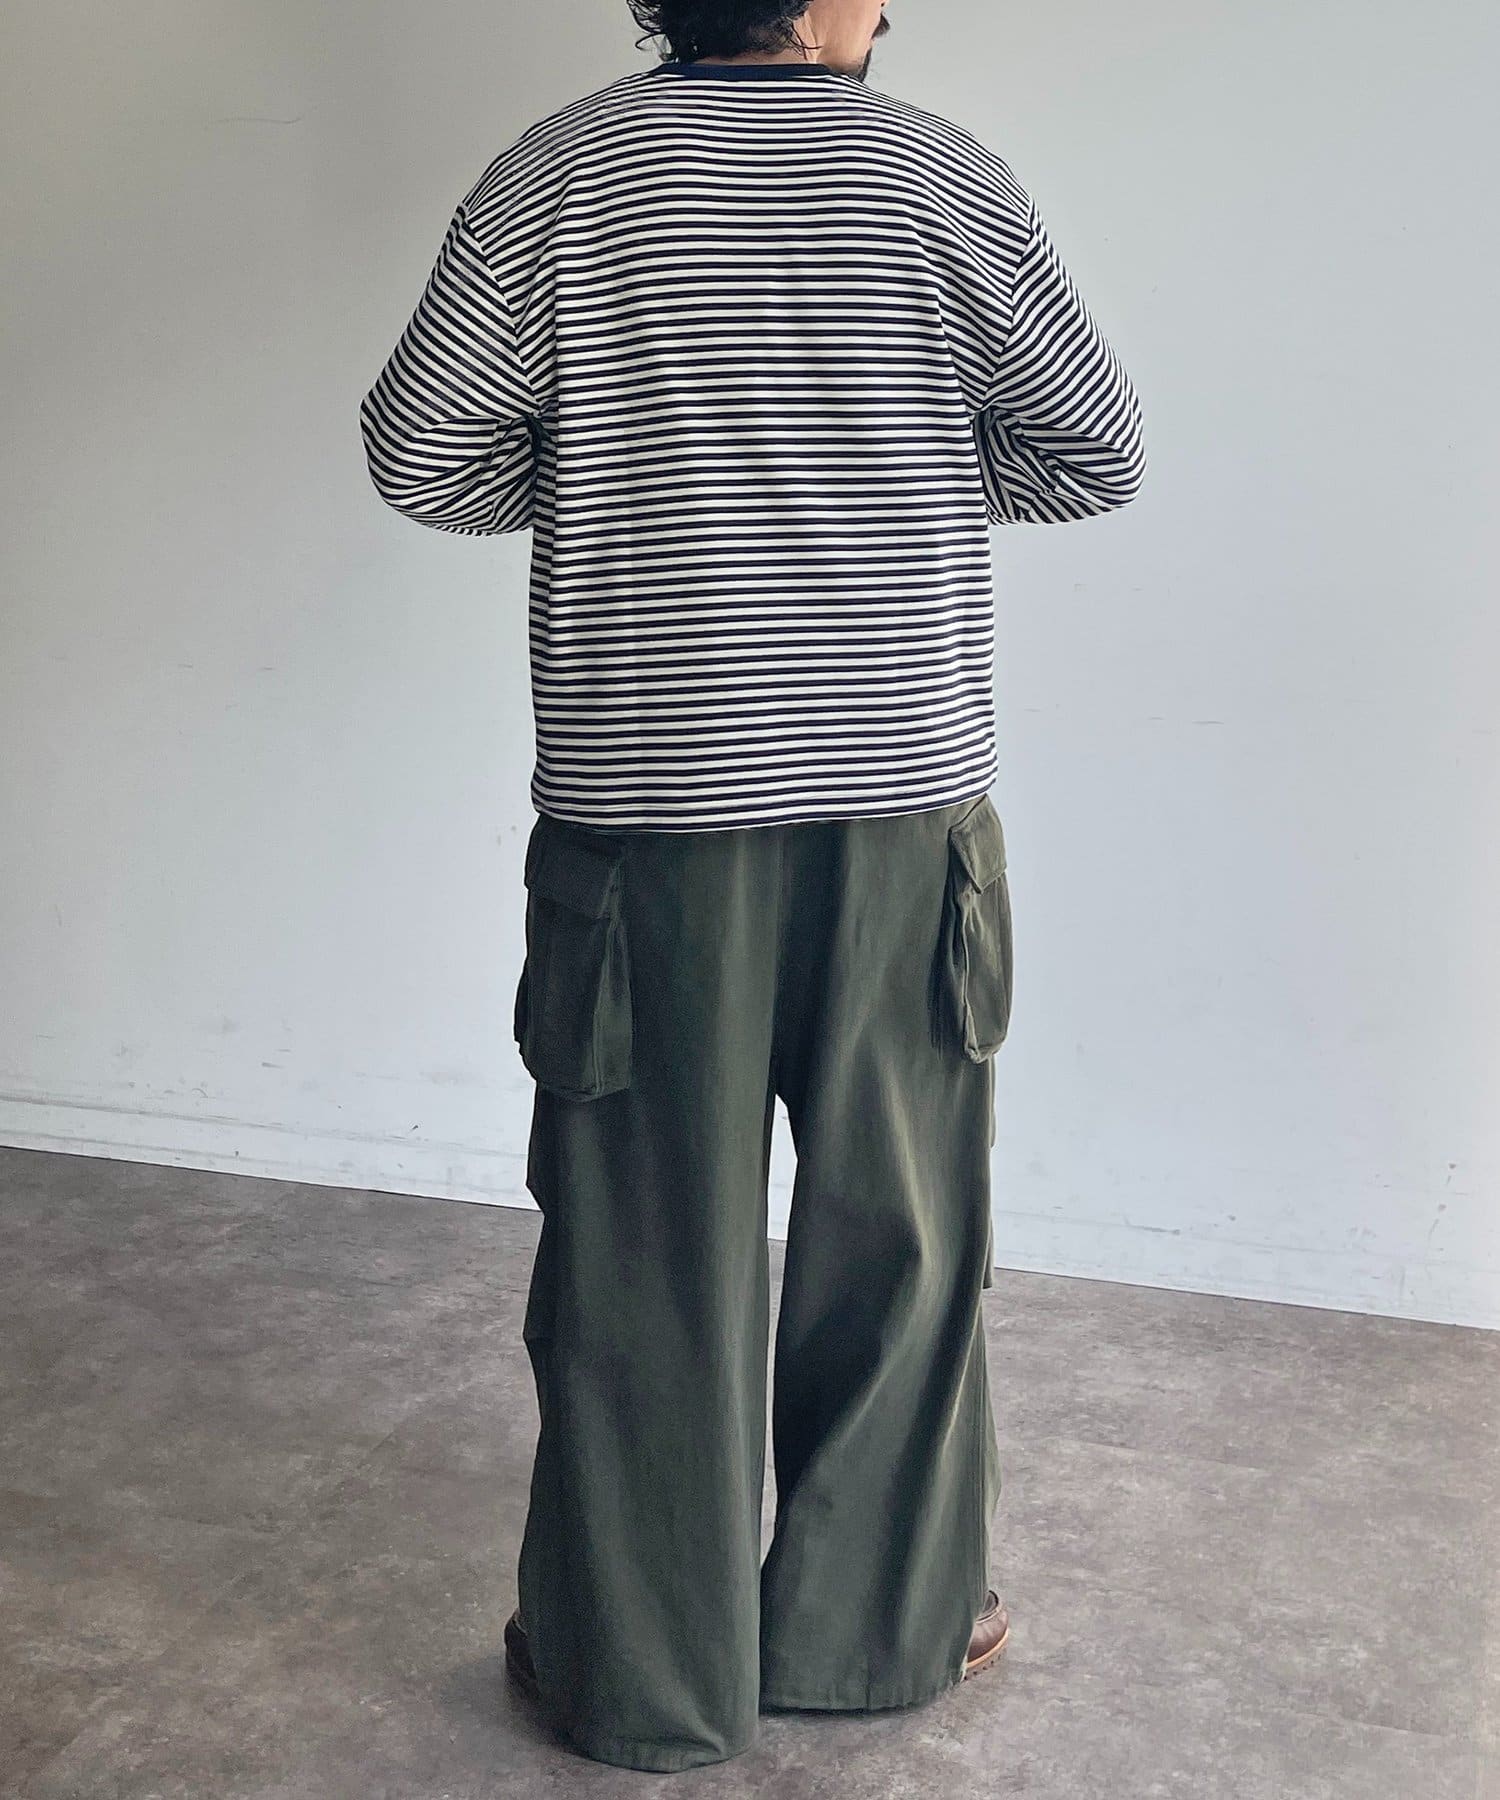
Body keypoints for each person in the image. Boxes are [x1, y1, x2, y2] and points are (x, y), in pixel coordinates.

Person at [359, 0, 1145, 1773]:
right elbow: (1092, 450)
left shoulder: (559, 174)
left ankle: (637, 1669)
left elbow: (425, 456)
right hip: (898, 813)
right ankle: (878, 1632)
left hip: (648, 818)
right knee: (899, 1234)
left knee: (640, 1249)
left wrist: (620, 474)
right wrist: (896, 465)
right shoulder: (939, 174)